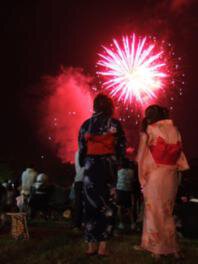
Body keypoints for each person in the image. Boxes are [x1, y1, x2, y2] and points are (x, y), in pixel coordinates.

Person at [136, 105, 189, 260]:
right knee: (167, 211)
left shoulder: (150, 129)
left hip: (156, 174)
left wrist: (142, 177)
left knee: (153, 211)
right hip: (171, 175)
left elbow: (141, 157)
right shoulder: (175, 129)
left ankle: (156, 248)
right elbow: (179, 152)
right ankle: (173, 248)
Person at [78, 93, 126, 256]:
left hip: (91, 167)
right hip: (108, 167)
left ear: (95, 106)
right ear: (110, 107)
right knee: (107, 204)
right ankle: (103, 246)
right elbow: (121, 146)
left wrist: (85, 162)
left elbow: (82, 148)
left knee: (90, 204)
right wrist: (117, 161)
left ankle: (91, 245)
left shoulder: (86, 124)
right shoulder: (114, 124)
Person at [116, 158, 134, 231]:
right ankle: (132, 223)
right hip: (128, 190)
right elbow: (132, 180)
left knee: (119, 207)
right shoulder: (131, 172)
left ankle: (121, 223)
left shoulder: (119, 172)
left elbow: (117, 179)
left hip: (120, 190)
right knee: (129, 208)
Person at [72, 150, 85, 229]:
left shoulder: (77, 152)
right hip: (87, 180)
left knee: (79, 202)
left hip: (78, 179)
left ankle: (77, 224)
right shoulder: (88, 152)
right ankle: (86, 222)